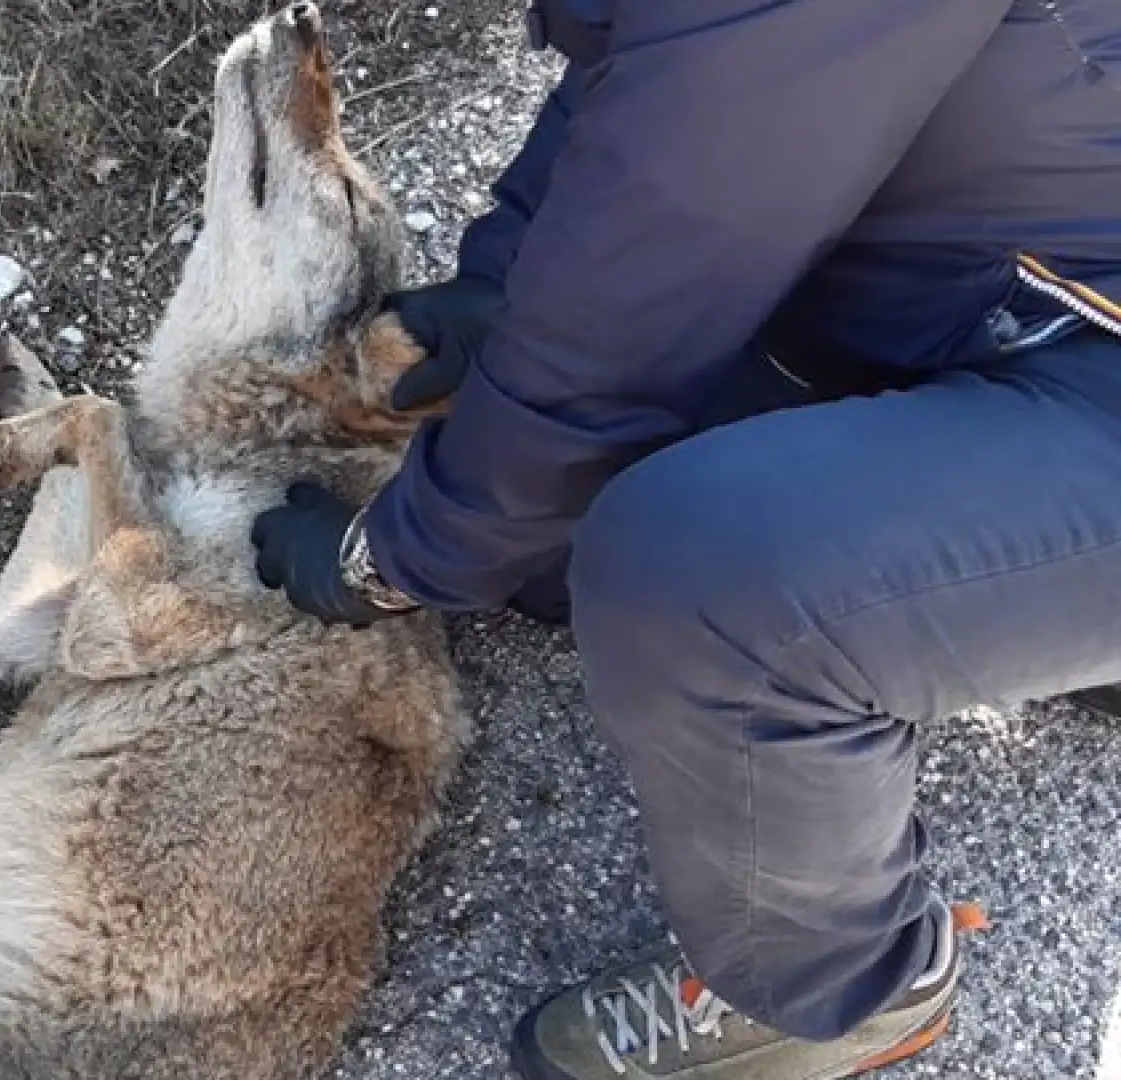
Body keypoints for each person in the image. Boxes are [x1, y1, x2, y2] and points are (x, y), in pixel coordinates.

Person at [248, 1, 1121, 1077]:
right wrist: (506, 285)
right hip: (1024, 299)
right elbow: (658, 103)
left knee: (706, 582)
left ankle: (833, 999)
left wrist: (388, 560)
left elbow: (616, 334)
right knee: (554, 520)